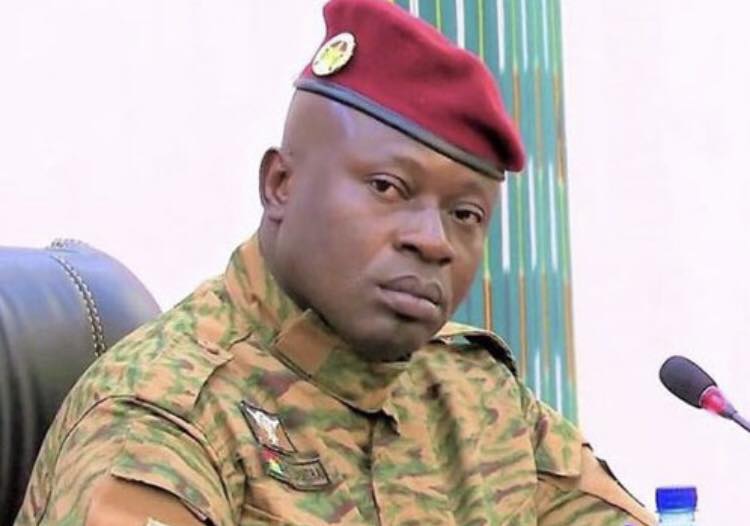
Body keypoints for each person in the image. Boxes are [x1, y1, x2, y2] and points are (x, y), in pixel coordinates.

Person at [15, 0, 655, 524]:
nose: (433, 241)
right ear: (281, 185)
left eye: (465, 215)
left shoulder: (475, 395)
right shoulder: (164, 420)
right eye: (388, 188)